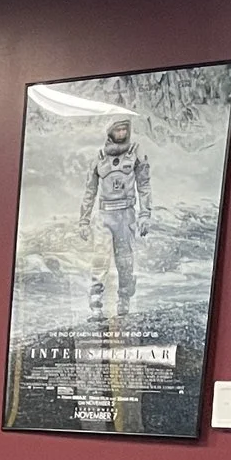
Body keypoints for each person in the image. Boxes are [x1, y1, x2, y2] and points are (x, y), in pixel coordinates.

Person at [80, 116, 151, 316]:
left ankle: (124, 299)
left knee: (125, 261)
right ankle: (95, 301)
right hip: (105, 216)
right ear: (110, 132)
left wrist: (145, 214)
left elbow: (144, 186)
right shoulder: (99, 157)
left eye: (124, 129)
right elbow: (89, 191)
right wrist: (84, 221)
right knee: (100, 259)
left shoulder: (136, 153)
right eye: (117, 130)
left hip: (126, 215)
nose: (121, 134)